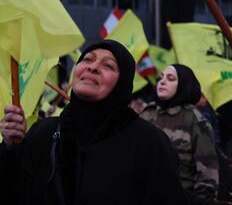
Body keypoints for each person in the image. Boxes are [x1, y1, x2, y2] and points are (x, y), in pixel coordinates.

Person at [0, 40, 187, 204]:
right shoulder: (43, 132)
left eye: (108, 66)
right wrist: (10, 148)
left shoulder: (148, 143)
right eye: (87, 59)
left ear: (122, 84)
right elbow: (14, 193)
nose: (93, 67)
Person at [140, 64, 219, 202]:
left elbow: (207, 174)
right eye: (161, 77)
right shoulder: (147, 113)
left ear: (183, 85)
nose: (162, 82)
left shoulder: (195, 120)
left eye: (170, 78)